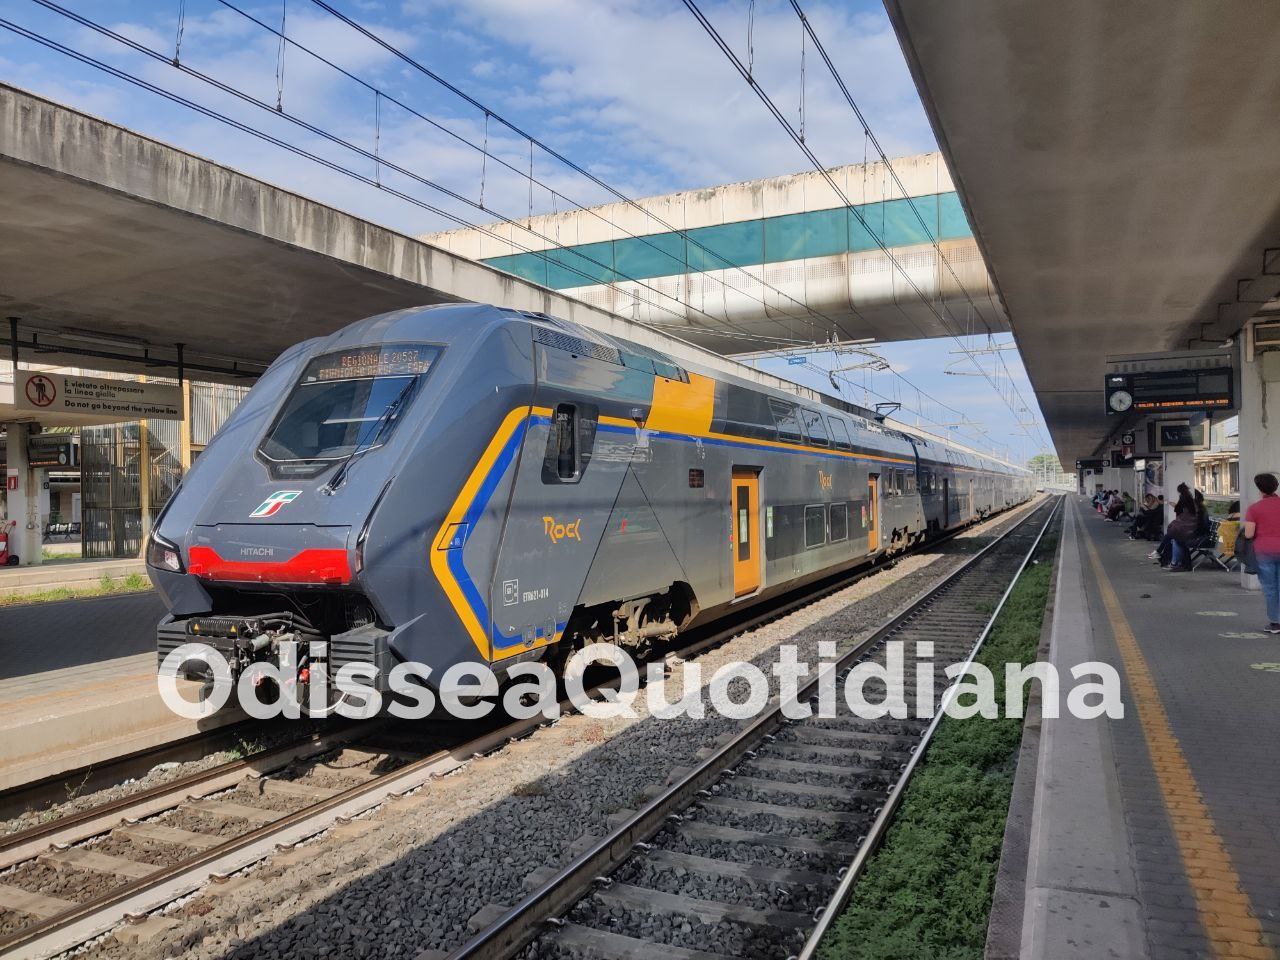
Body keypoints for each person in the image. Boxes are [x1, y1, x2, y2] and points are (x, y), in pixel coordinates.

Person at [1243, 474, 1280, 633]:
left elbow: (1249, 534)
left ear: (1259, 489)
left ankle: (1275, 623)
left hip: (1264, 552)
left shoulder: (1254, 508)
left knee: (1270, 588)